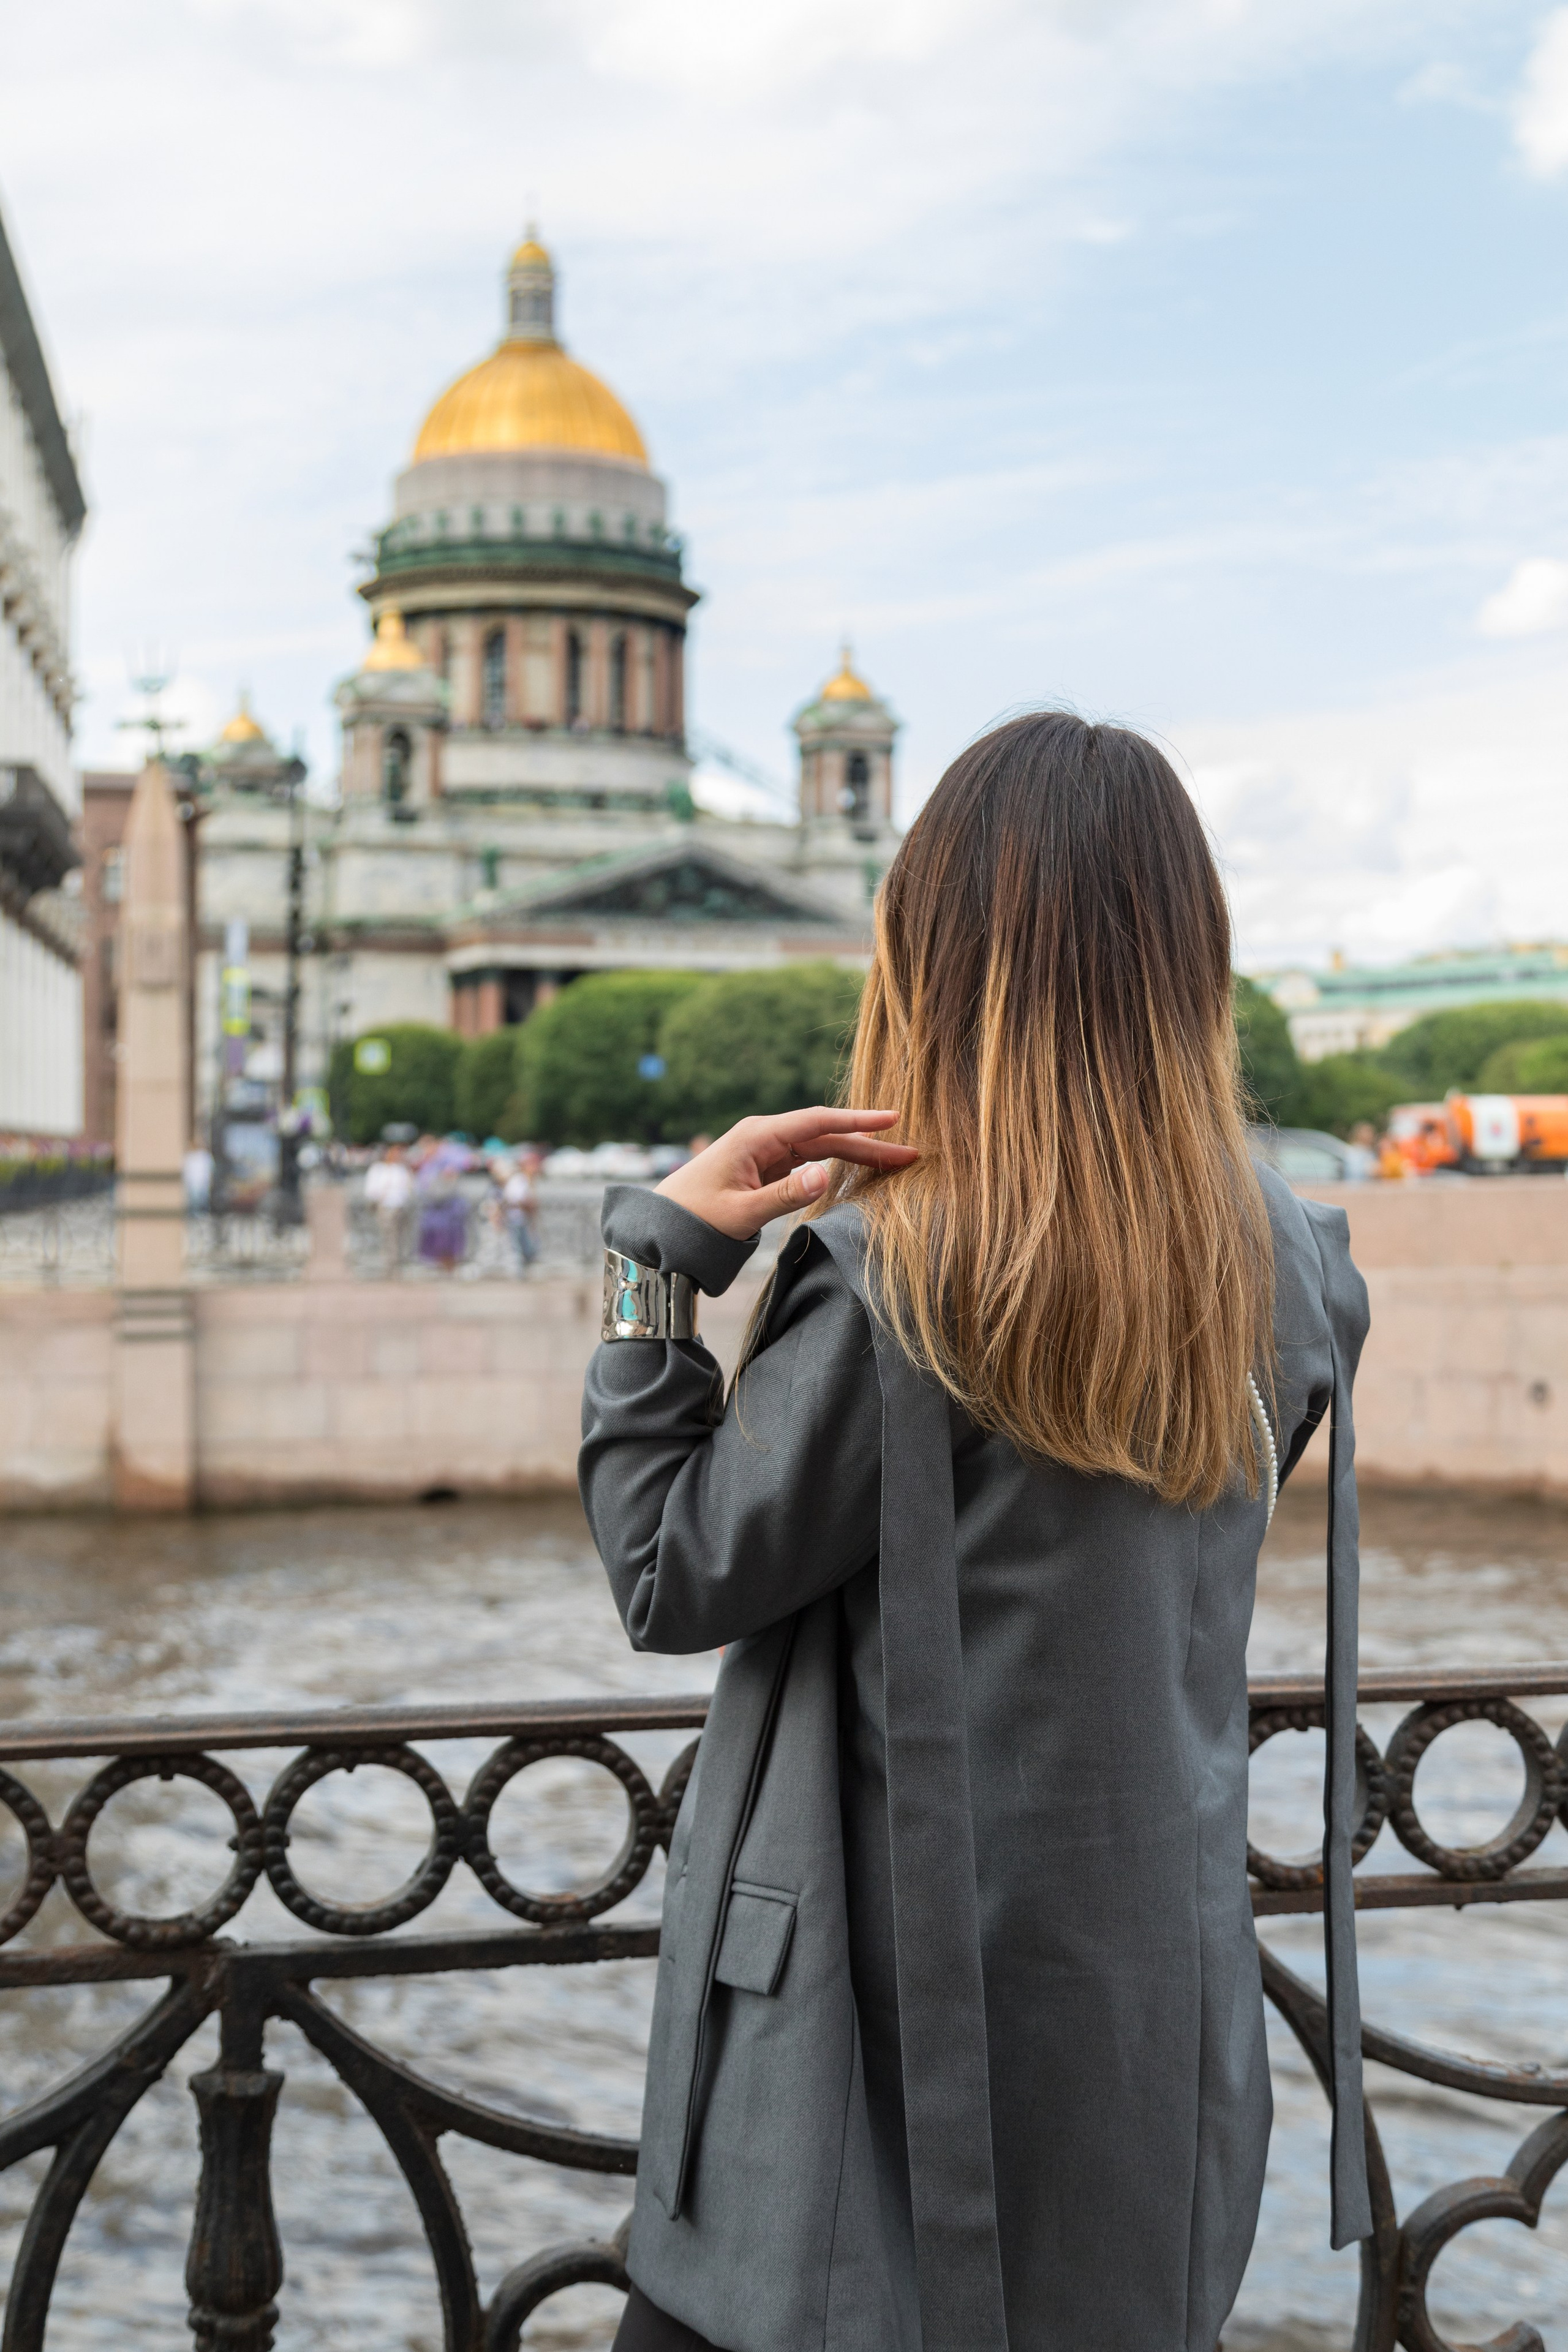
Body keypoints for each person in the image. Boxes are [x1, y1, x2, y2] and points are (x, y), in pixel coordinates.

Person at [579, 713, 1371, 2352]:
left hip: (882, 2046)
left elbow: (671, 1569)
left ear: (935, 950)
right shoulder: (1294, 1267)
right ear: (1186, 955)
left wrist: (657, 1263)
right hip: (1151, 2011)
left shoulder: (903, 1275)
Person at [363, 1143, 413, 1270]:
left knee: (400, 1236)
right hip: (386, 1207)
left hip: (400, 1207)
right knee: (388, 1236)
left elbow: (408, 1189)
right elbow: (371, 1190)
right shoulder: (379, 1169)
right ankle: (389, 1264)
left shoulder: (402, 1169)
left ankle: (398, 1263)